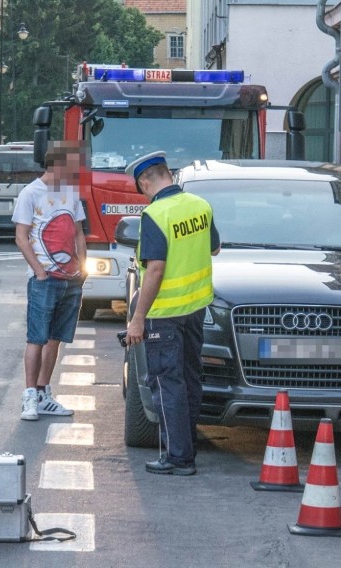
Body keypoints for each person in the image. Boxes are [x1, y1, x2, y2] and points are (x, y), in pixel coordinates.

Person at [123, 151, 220, 476]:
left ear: (146, 181)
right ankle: (187, 446)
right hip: (195, 308)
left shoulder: (155, 214)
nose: (144, 194)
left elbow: (155, 270)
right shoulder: (199, 206)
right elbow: (213, 247)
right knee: (190, 379)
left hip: (164, 313)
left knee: (167, 383)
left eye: (142, 189)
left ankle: (177, 457)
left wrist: (138, 318)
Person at [12, 141, 88, 421]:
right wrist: (39, 271)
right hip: (44, 278)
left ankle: (43, 393)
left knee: (55, 339)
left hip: (71, 279)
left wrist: (82, 266)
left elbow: (78, 232)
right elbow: (21, 237)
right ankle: (30, 395)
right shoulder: (31, 193)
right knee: (37, 338)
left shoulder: (70, 193)